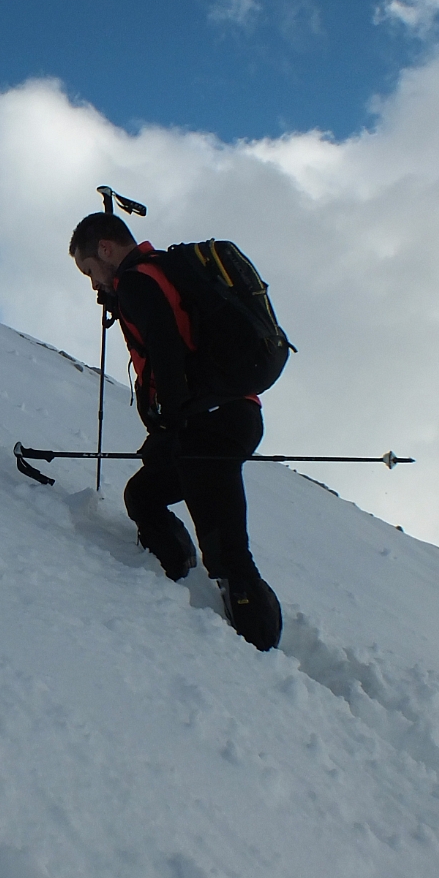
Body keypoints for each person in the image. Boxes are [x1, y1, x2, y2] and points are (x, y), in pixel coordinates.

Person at [68, 212, 281, 647]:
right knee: (144, 495)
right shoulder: (161, 271)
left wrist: (166, 413)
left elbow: (166, 347)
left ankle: (259, 647)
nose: (94, 284)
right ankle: (176, 574)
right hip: (225, 416)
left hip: (209, 424)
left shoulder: (138, 282)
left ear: (106, 250)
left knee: (228, 554)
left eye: (90, 270)